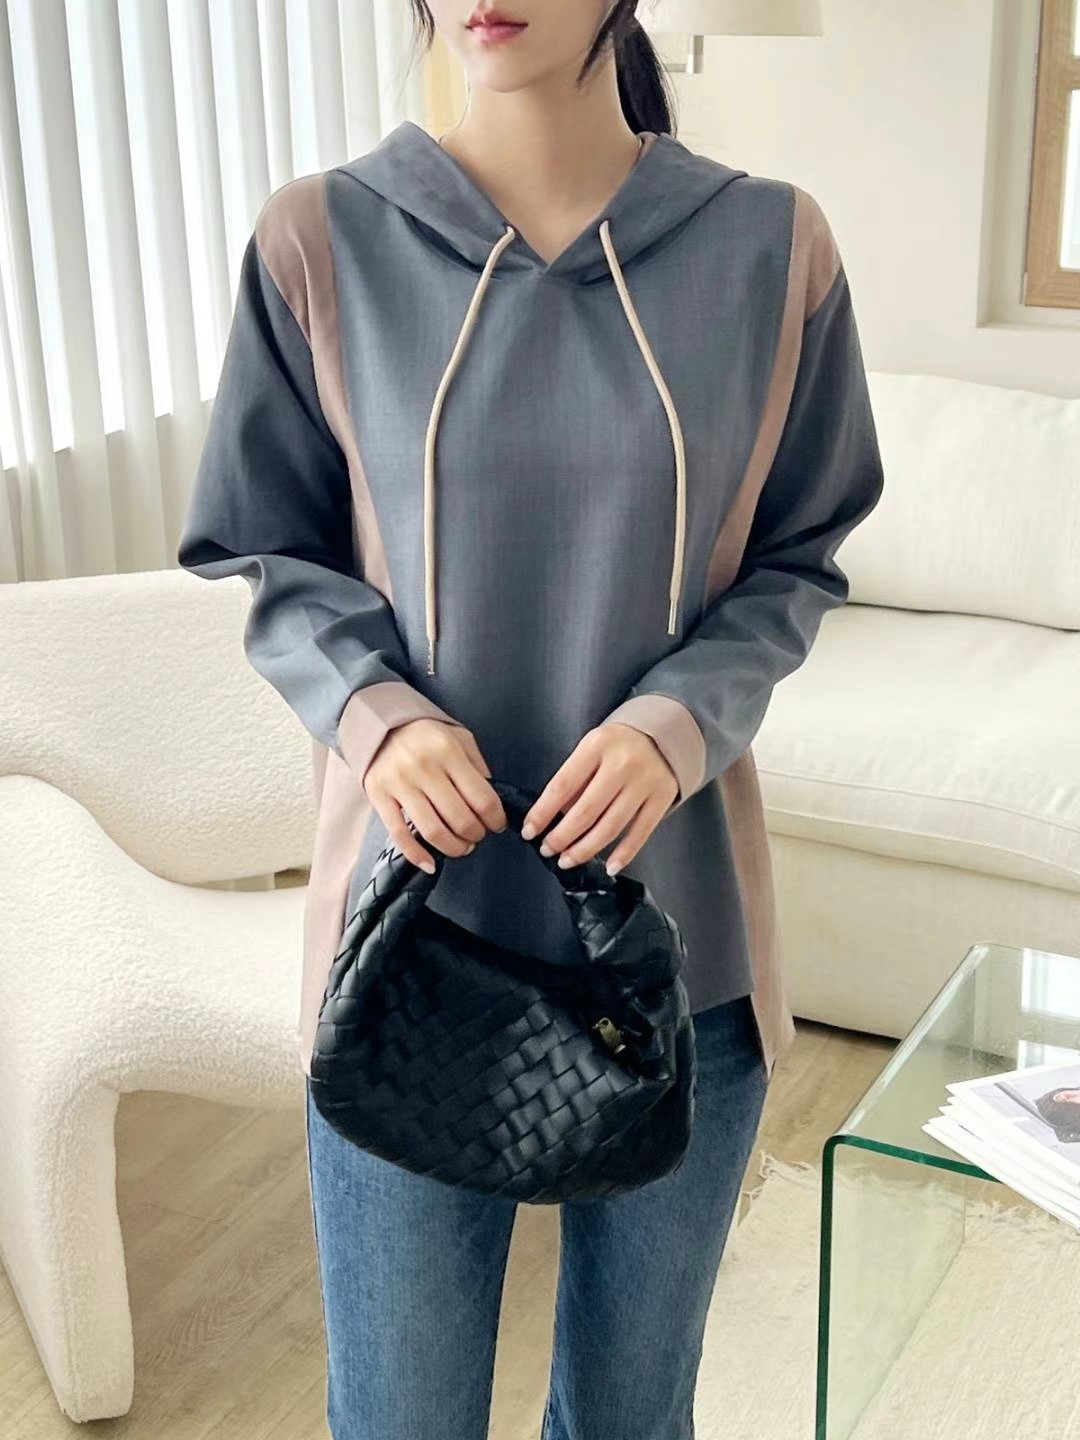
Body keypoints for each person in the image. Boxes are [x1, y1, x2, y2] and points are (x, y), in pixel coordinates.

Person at [176, 2, 885, 1435]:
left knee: (633, 1417)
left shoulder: (774, 250)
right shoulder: (321, 241)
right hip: (404, 957)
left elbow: (801, 557)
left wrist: (677, 721)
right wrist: (378, 714)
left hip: (678, 949)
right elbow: (266, 551)